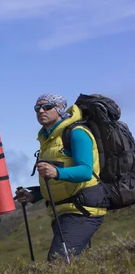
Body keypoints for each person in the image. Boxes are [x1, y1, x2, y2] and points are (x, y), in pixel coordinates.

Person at [15, 93, 106, 262]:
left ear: (60, 109)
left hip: (82, 210)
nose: (41, 111)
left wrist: (56, 172)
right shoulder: (47, 140)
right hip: (62, 211)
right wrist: (34, 196)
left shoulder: (77, 133)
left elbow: (86, 172)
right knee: (75, 265)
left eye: (47, 107)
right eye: (37, 108)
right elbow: (57, 182)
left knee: (58, 263)